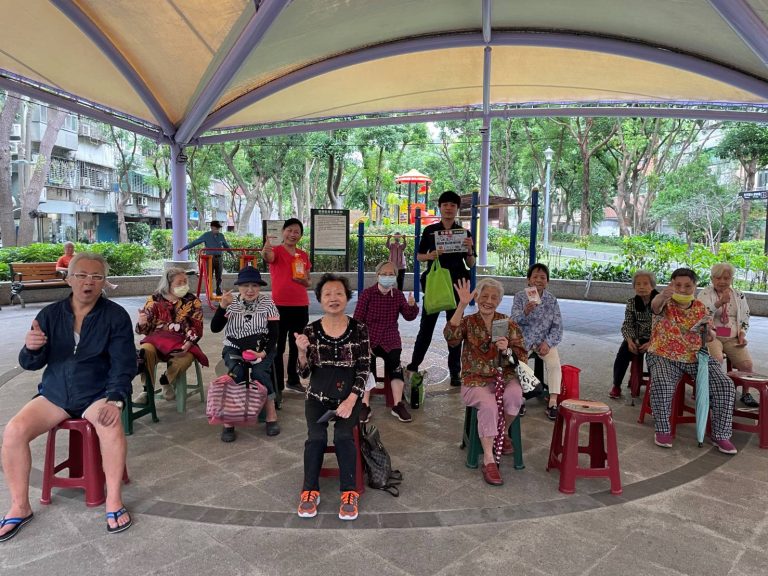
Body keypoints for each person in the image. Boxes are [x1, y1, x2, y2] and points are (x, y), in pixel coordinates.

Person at [1, 252, 136, 541]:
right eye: (82, 275)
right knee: (14, 430)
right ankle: (20, 506)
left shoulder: (115, 316)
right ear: (69, 279)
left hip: (96, 392)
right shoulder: (50, 315)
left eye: (97, 277)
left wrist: (115, 398)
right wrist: (31, 348)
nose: (89, 282)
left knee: (110, 425)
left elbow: (124, 363)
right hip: (56, 393)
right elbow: (31, 363)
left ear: (104, 282)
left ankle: (113, 500)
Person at [295, 274, 369, 521]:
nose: (333, 298)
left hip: (349, 397)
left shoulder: (359, 329)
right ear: (319, 299)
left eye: (339, 293)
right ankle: (309, 490)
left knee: (343, 436)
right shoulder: (310, 330)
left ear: (347, 297)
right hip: (317, 397)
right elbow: (304, 373)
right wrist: (302, 353)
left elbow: (364, 369)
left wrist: (351, 400)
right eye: (327, 294)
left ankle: (349, 492)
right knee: (315, 438)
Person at [444, 278, 525, 486]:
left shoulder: (506, 323)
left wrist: (507, 350)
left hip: (503, 376)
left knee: (515, 395)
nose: (489, 301)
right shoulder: (469, 322)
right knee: (489, 405)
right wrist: (461, 305)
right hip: (475, 379)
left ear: (499, 301)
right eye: (485, 296)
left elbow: (522, 356)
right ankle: (489, 459)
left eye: (494, 297)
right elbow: (451, 338)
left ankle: (502, 432)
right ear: (477, 297)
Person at [647, 267, 737, 454]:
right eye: (678, 285)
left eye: (687, 286)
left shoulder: (700, 307)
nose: (682, 289)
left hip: (696, 356)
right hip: (664, 354)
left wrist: (709, 333)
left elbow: (711, 334)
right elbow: (655, 306)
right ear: (671, 285)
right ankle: (662, 429)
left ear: (695, 286)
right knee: (662, 382)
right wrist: (662, 295)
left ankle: (721, 434)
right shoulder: (665, 303)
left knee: (725, 385)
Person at [406, 191, 475, 387]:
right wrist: (431, 256)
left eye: (453, 205)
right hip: (435, 285)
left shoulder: (464, 233)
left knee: (454, 330)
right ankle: (414, 365)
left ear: (457, 208)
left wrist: (470, 249)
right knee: (426, 328)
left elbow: (471, 264)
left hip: (458, 286)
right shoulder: (430, 231)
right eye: (445, 204)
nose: (449, 208)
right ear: (440, 207)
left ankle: (455, 372)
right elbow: (419, 256)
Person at [211, 266, 281, 442]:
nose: (250, 290)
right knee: (237, 373)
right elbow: (215, 328)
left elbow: (274, 334)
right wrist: (222, 307)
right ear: (239, 286)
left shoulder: (268, 303)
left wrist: (262, 353)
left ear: (260, 287)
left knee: (260, 373)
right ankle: (229, 421)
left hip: (261, 347)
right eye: (245, 285)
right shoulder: (231, 302)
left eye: (255, 286)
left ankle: (271, 414)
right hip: (234, 346)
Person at [353, 261, 419, 423]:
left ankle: (397, 405)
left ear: (396, 277)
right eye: (384, 274)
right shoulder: (367, 294)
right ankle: (364, 405)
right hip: (370, 338)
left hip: (391, 338)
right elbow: (357, 320)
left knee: (395, 366)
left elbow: (409, 316)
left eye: (391, 274)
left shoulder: (398, 295)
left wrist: (412, 306)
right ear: (377, 275)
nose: (388, 277)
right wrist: (363, 342)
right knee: (366, 367)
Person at [134, 268, 208, 403]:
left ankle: (166, 380)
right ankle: (147, 390)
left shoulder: (193, 301)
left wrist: (188, 344)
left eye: (185, 281)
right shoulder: (154, 300)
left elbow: (197, 327)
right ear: (168, 284)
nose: (183, 285)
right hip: (157, 341)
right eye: (179, 282)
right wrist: (141, 323)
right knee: (145, 351)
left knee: (186, 358)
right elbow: (146, 330)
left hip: (182, 342)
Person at [262, 218, 311, 395]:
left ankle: (293, 380)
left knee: (297, 345)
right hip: (278, 307)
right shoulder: (276, 251)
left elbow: (308, 282)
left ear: (301, 235)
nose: (292, 234)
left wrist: (302, 280)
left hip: (300, 305)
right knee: (278, 346)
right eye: (289, 230)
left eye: (296, 232)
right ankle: (277, 386)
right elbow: (267, 257)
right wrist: (266, 249)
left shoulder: (303, 255)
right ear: (283, 232)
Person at [697, 263, 756, 407]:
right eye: (718, 278)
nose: (722, 281)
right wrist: (719, 303)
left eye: (726, 278)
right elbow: (700, 315)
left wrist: (742, 333)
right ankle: (712, 392)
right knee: (716, 359)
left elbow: (745, 316)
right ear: (712, 279)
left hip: (732, 336)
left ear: (731, 279)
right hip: (712, 335)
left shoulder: (738, 295)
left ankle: (746, 394)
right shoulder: (705, 293)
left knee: (747, 364)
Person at [510, 263, 563, 421]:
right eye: (535, 277)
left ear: (547, 281)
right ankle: (520, 398)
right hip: (523, 341)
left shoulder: (552, 300)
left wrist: (548, 343)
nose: (538, 280)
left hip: (544, 342)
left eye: (543, 277)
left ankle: (553, 401)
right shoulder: (520, 297)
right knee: (517, 364)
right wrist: (525, 312)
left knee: (554, 364)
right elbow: (513, 321)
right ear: (528, 280)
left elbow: (558, 326)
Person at [609, 270, 659, 399]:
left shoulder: (660, 302)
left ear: (653, 285)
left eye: (645, 283)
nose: (641, 287)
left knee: (656, 358)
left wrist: (652, 342)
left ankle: (655, 388)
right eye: (638, 284)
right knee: (622, 354)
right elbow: (627, 324)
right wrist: (630, 341)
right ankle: (616, 385)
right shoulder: (632, 302)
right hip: (637, 337)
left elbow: (664, 326)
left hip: (657, 338)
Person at [177, 220, 230, 295]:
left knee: (219, 276)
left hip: (219, 258)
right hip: (210, 258)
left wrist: (231, 253)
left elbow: (226, 246)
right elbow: (194, 243)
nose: (217, 230)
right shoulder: (206, 235)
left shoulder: (221, 235)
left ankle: (218, 290)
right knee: (209, 276)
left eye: (218, 228)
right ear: (212, 227)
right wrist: (183, 249)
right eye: (216, 228)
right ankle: (209, 291)